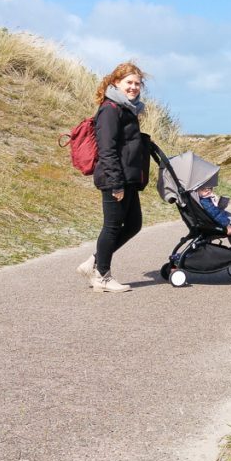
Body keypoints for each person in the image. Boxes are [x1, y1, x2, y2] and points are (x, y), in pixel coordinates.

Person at [76, 62, 150, 293]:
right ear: (116, 83)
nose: (134, 87)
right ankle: (102, 277)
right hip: (114, 179)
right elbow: (107, 150)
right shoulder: (110, 109)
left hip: (127, 178)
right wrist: (116, 184)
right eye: (129, 82)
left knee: (134, 224)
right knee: (112, 227)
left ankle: (94, 262)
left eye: (137, 83)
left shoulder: (128, 109)